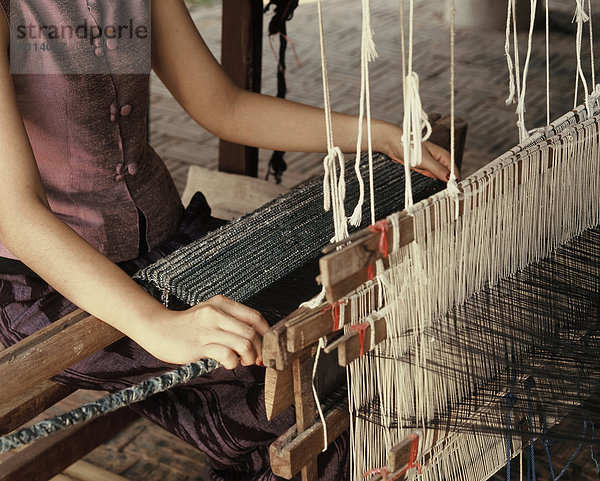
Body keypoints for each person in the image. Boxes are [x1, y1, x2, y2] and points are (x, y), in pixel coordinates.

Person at [0, 0, 453, 479]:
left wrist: (374, 135)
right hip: (46, 285)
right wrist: (159, 326)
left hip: (171, 251)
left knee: (337, 346)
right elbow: (17, 213)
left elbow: (222, 105)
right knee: (295, 409)